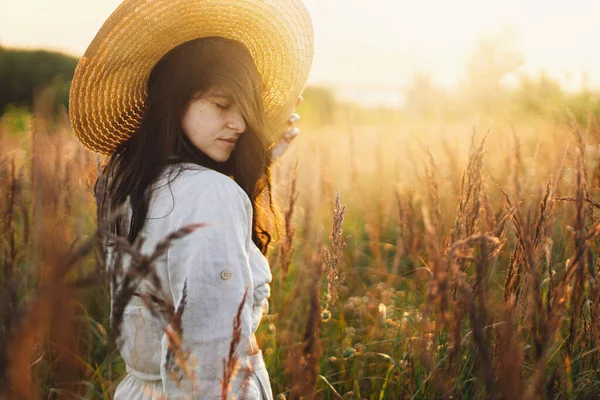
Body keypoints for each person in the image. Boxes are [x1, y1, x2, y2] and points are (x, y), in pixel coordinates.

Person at [67, 0, 314, 399]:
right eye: (221, 105)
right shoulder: (210, 194)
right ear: (175, 99)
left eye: (245, 110)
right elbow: (213, 354)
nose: (239, 123)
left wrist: (258, 160)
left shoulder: (128, 184)